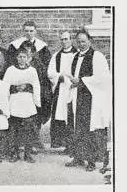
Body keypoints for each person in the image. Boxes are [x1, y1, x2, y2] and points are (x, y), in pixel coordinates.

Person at [66, 29, 110, 172]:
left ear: (89, 41)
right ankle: (78, 157)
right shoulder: (74, 56)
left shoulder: (97, 56)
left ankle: (91, 160)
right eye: (78, 41)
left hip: (90, 97)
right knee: (77, 128)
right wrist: (72, 83)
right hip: (77, 96)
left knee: (89, 130)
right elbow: (71, 75)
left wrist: (81, 81)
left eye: (83, 41)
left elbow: (102, 77)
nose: (81, 44)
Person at [4, 47, 41, 163]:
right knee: (14, 129)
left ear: (28, 58)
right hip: (15, 101)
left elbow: (36, 85)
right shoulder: (10, 70)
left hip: (27, 102)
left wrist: (27, 87)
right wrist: (15, 88)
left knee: (28, 129)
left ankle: (27, 153)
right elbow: (5, 85)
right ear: (16, 57)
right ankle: (14, 153)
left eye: (24, 57)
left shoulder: (32, 70)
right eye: (20, 57)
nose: (22, 59)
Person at [47, 31, 77, 150]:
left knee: (71, 115)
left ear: (71, 40)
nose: (64, 42)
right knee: (59, 115)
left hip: (73, 89)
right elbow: (50, 72)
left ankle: (72, 145)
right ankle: (60, 142)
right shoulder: (56, 55)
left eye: (66, 39)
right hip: (60, 88)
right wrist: (60, 77)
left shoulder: (77, 54)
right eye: (62, 39)